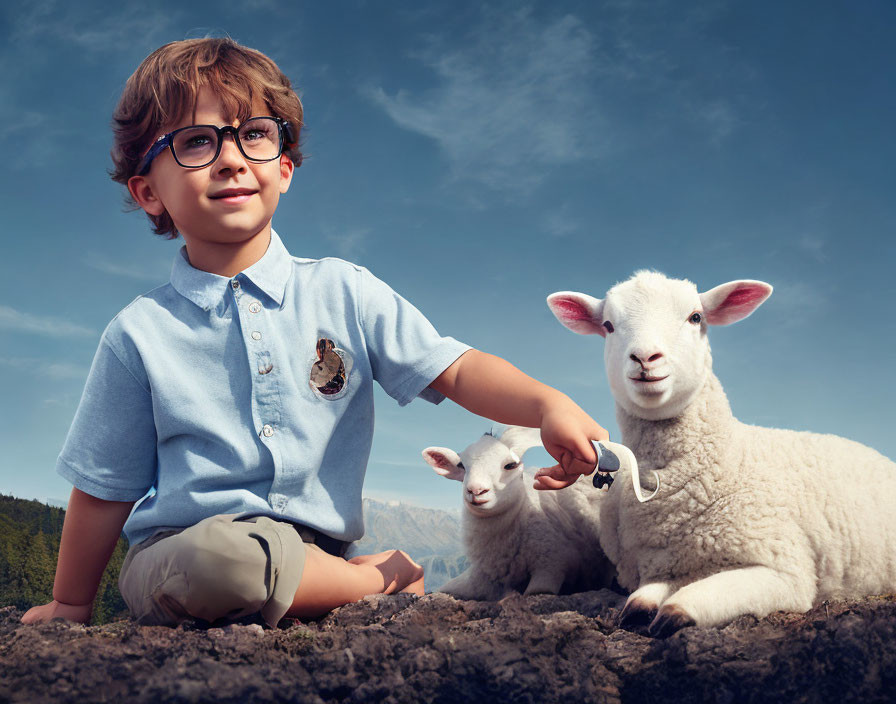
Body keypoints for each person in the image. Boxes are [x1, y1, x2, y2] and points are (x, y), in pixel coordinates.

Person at [20, 38, 606, 628]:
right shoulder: (138, 333)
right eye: (195, 141)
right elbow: (103, 487)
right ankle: (380, 579)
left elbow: (454, 369)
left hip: (320, 553)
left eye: (253, 133)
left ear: (284, 167)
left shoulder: (345, 290)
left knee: (250, 566)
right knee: (216, 563)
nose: (230, 158)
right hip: (181, 552)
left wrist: (545, 405)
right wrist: (71, 603)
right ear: (148, 193)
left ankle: (341, 579)